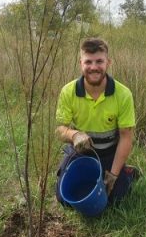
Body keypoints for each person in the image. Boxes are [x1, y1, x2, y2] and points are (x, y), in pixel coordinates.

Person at [55, 37, 139, 205]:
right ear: (81, 63)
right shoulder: (68, 91)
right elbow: (59, 129)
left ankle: (127, 173)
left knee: (115, 199)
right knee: (63, 199)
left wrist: (113, 176)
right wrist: (74, 134)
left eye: (99, 61)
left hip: (110, 153)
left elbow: (126, 137)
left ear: (108, 63)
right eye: (88, 62)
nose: (93, 67)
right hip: (81, 152)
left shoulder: (123, 94)